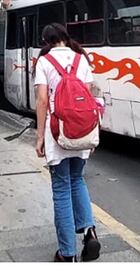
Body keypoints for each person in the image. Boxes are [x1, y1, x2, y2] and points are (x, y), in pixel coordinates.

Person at [34, 23, 101, 262]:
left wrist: (40, 136)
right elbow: (89, 96)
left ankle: (67, 253)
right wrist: (93, 132)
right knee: (78, 180)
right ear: (64, 37)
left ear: (46, 41)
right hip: (81, 130)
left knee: (61, 188)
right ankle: (89, 231)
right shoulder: (81, 59)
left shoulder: (43, 62)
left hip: (57, 133)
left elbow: (42, 101)